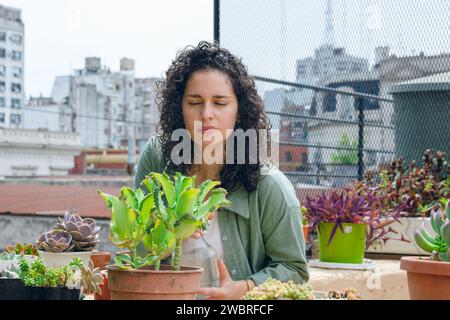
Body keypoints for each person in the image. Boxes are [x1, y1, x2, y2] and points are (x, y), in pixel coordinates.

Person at [135, 41, 308, 299]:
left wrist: (243, 288)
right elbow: (136, 248)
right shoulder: (156, 160)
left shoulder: (270, 185)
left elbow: (295, 269)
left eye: (220, 103)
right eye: (194, 102)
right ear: (179, 109)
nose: (206, 114)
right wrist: (166, 237)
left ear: (238, 111)